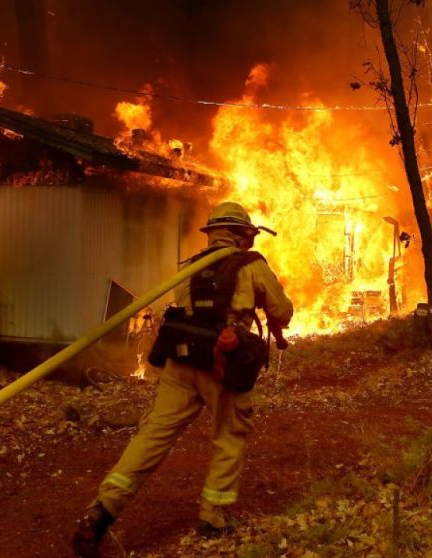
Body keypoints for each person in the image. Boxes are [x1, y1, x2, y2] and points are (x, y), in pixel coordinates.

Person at [73, 201, 294, 557]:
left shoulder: (190, 268)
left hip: (180, 363)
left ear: (213, 235)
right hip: (222, 366)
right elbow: (281, 310)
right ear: (242, 236)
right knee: (229, 435)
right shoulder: (251, 266)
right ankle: (214, 516)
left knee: (152, 436)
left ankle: (103, 508)